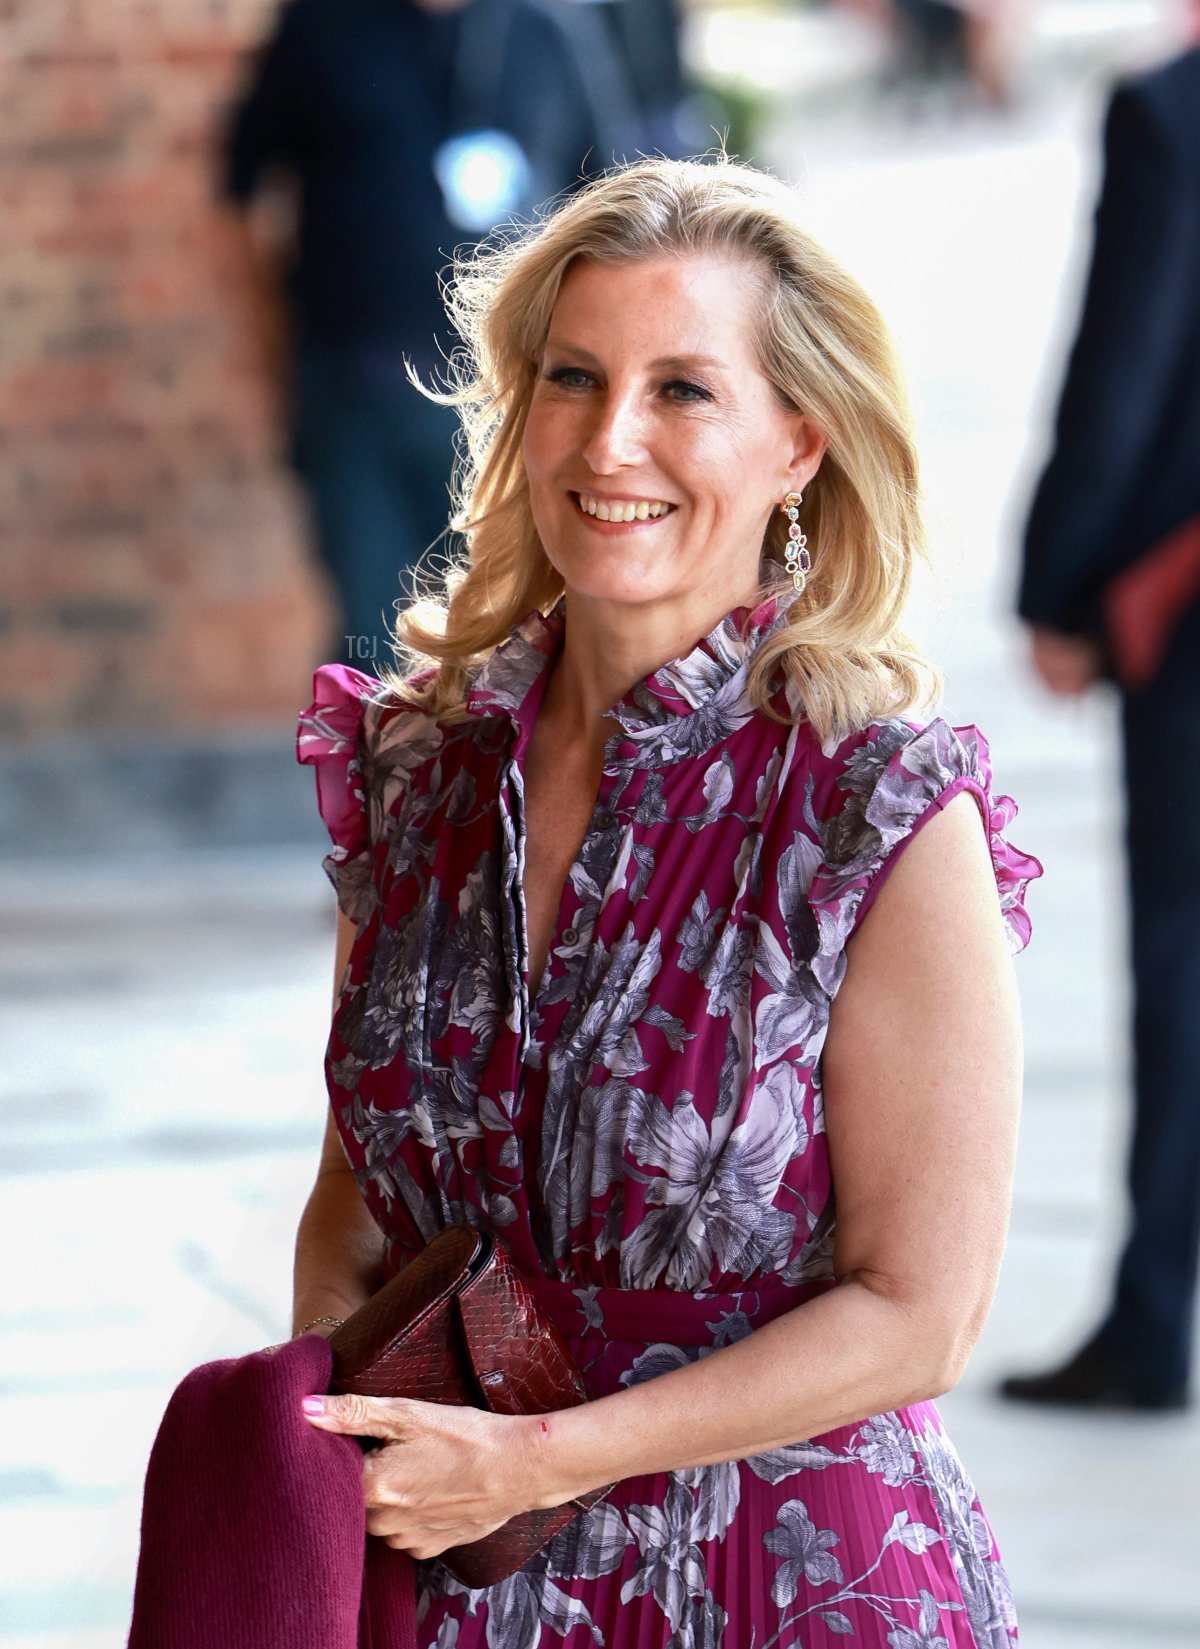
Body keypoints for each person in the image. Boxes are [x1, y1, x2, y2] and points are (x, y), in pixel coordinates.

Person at [293, 155, 1041, 1647]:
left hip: (786, 1581)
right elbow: (348, 1213)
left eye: (686, 389)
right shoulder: (420, 777)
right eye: (573, 377)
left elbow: (923, 1310)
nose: (610, 438)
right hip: (457, 1583)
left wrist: (537, 1460)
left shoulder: (875, 806)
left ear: (798, 444)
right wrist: (333, 1496)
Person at [221, 0, 642, 667]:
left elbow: (616, 208)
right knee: (372, 640)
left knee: (515, 636)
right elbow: (241, 187)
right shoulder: (323, 26)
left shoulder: (547, 29)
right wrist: (269, 350)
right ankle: (374, 772)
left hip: (511, 408)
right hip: (356, 399)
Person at [1001, 45, 1200, 1413]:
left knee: (1186, 962)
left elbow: (1123, 363)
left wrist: (1062, 586)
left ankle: (1150, 1319)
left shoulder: (1173, 111)